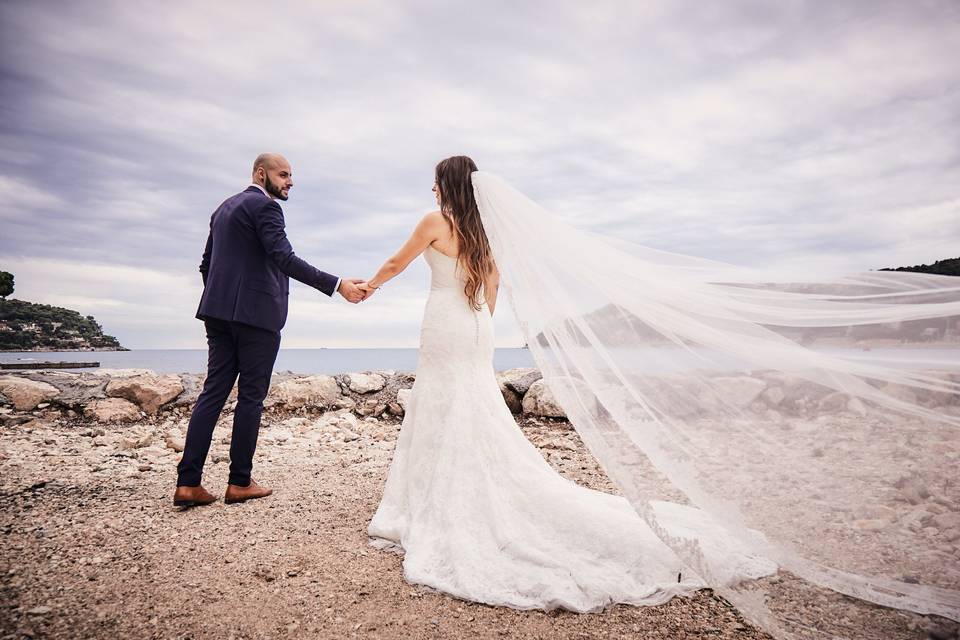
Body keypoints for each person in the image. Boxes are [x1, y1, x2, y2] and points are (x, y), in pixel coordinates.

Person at [359, 156, 774, 611]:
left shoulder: (435, 221)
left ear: (447, 185)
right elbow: (492, 286)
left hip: (444, 321)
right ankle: (454, 488)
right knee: (471, 402)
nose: (432, 190)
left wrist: (368, 286)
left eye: (436, 182)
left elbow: (398, 261)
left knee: (442, 400)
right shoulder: (485, 231)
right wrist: (482, 324)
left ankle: (435, 499)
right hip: (476, 323)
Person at [173, 153, 367, 507]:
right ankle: (240, 482)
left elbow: (206, 265)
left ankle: (188, 483)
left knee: (212, 394)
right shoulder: (266, 208)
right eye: (283, 175)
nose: (290, 181)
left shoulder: (223, 209)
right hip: (257, 317)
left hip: (217, 314)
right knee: (250, 397)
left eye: (292, 175)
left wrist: (224, 300)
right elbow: (284, 258)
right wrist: (338, 284)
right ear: (261, 174)